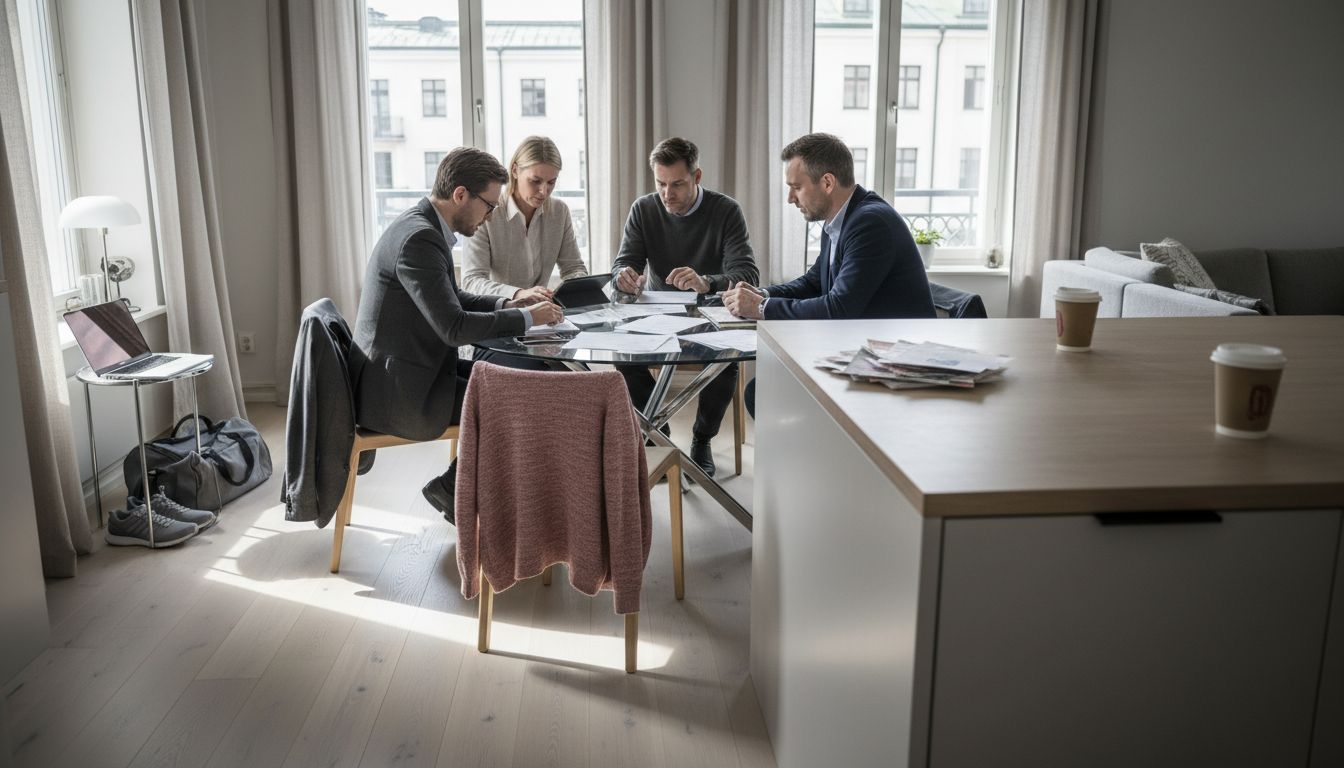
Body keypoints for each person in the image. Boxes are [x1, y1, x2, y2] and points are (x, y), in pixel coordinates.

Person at [350, 147, 563, 525]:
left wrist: (510, 302)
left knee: (522, 386)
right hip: (401, 393)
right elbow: (454, 328)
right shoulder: (420, 239)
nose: (491, 215)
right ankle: (471, 497)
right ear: (461, 195)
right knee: (523, 399)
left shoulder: (423, 227)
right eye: (489, 206)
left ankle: (457, 489)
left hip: (408, 373)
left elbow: (454, 299)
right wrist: (526, 318)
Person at [723, 132, 936, 417]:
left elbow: (839, 308)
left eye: (796, 187)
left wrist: (761, 308)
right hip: (862, 351)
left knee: (763, 394)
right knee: (764, 388)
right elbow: (813, 283)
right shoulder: (840, 220)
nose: (790, 198)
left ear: (827, 182)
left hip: (893, 365)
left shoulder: (870, 223)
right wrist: (763, 294)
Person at [610, 137, 759, 477]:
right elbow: (623, 263)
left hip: (710, 314)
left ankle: (701, 439)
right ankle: (657, 435)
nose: (667, 194)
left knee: (726, 363)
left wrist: (707, 282)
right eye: (660, 184)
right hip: (655, 316)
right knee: (620, 358)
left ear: (697, 176)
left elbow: (748, 273)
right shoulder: (644, 209)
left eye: (677, 184)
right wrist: (624, 277)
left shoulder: (726, 211)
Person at [461, 135, 587, 370]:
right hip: (495, 333)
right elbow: (471, 282)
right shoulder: (487, 212)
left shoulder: (559, 212)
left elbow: (574, 268)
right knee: (545, 379)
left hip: (542, 331)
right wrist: (518, 293)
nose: (543, 191)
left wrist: (571, 289)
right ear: (515, 171)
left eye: (551, 182)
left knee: (581, 383)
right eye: (536, 181)